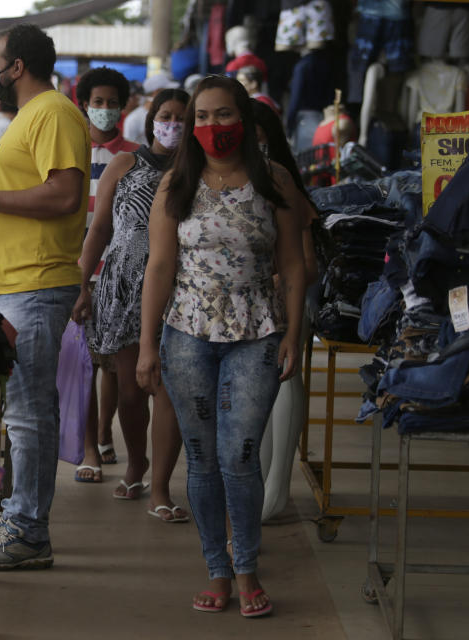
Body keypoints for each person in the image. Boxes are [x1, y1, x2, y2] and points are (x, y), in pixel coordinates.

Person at [136, 75, 306, 616]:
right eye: (202, 118)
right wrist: (146, 344)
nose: (213, 127)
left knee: (239, 454)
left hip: (256, 333)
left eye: (223, 115)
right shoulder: (176, 182)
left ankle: (248, 567)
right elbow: (159, 267)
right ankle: (217, 570)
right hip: (186, 335)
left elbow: (294, 265)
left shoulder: (274, 179)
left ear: (245, 120)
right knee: (203, 458)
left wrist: (296, 334)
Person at [0, 23, 90, 571]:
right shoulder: (29, 117)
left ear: (17, 67)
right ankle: (19, 518)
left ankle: (28, 532)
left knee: (28, 414)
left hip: (33, 284)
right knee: (18, 414)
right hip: (7, 285)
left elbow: (65, 192)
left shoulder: (52, 112)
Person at [73, 88, 192, 522]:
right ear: (151, 120)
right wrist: (82, 283)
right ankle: (136, 463)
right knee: (129, 388)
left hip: (179, 286)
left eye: (182, 117)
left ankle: (160, 486)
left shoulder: (196, 170)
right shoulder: (125, 164)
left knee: (167, 389)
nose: (173, 124)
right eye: (166, 115)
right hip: (121, 284)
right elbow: (99, 228)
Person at [250, 99, 319, 522]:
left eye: (260, 142)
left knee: (284, 387)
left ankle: (275, 492)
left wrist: (275, 283)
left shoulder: (287, 187)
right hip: (243, 313)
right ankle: (255, 488)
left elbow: (307, 266)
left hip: (283, 308)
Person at [72, 66, 139, 483]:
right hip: (78, 268)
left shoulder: (133, 155)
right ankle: (89, 448)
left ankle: (104, 433)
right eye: (98, 102)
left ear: (124, 105)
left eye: (112, 102)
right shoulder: (71, 152)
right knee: (84, 363)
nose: (105, 109)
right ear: (84, 104)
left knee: (113, 363)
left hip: (120, 272)